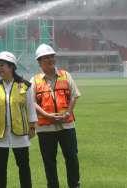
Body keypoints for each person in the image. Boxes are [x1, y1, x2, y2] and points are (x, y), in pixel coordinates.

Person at [0, 51, 37, 188]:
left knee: (24, 166)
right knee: (0, 168)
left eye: (2, 65)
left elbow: (30, 108)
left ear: (11, 66)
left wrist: (32, 126)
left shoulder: (25, 85)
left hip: (20, 135)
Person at [30, 44, 81, 188]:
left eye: (51, 56)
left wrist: (68, 112)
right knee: (49, 161)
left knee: (72, 157)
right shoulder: (34, 80)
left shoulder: (66, 75)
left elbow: (74, 96)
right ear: (39, 62)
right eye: (45, 58)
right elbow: (32, 102)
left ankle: (74, 185)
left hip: (67, 126)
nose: (50, 59)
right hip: (46, 129)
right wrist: (47, 115)